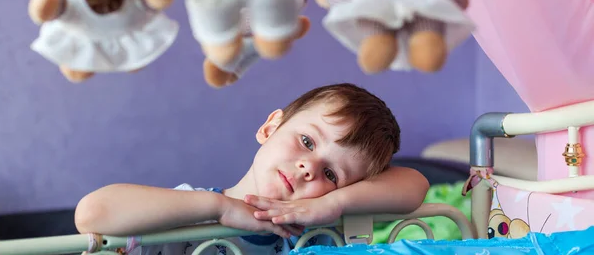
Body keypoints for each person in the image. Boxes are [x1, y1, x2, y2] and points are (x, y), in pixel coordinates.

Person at [74, 83, 429, 254]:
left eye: (331, 175)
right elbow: (92, 214)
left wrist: (329, 205)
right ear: (270, 127)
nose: (309, 168)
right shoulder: (190, 214)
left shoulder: (316, 229)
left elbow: (415, 184)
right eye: (307, 141)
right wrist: (222, 209)